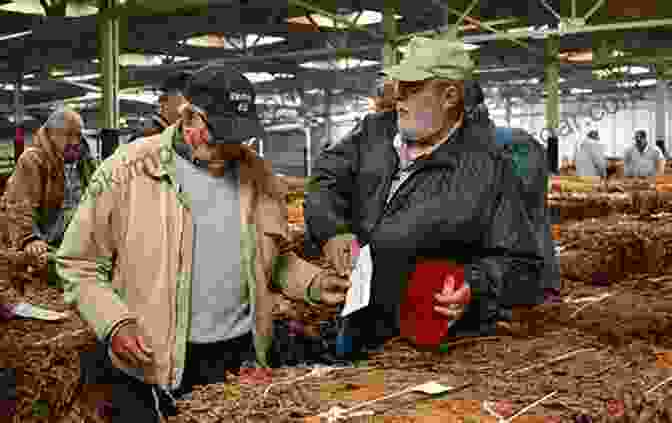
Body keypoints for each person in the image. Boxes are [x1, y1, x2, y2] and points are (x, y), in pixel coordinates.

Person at [55, 66, 351, 423]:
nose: (228, 150)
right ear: (188, 116)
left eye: (236, 139)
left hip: (238, 358)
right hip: (153, 362)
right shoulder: (127, 171)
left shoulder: (257, 176)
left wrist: (315, 283)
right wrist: (114, 322)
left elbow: (272, 259)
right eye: (218, 136)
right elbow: (78, 263)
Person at [304, 36, 544, 358]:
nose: (398, 99)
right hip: (358, 318)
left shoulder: (486, 169)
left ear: (449, 96)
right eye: (398, 87)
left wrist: (473, 285)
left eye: (411, 89)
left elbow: (522, 263)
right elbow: (325, 179)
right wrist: (331, 230)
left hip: (426, 342)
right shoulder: (373, 134)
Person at [3, 108, 97, 284]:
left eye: (78, 135)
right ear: (51, 134)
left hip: (82, 236)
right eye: (68, 135)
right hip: (50, 238)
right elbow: (19, 205)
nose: (75, 141)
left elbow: (99, 197)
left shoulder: (86, 161)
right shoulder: (33, 160)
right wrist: (29, 239)